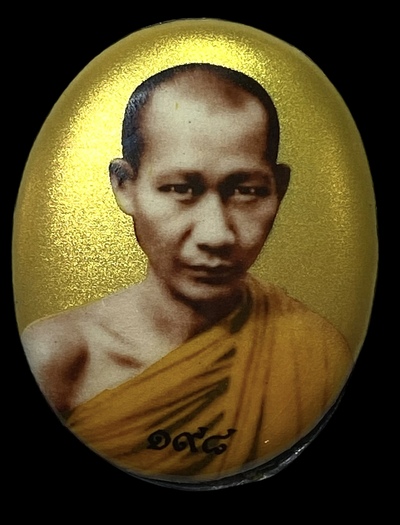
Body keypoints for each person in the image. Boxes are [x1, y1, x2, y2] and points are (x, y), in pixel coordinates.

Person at [22, 63, 353, 484]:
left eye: (247, 191)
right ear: (125, 185)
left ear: (279, 188)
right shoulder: (61, 359)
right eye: (181, 188)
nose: (216, 234)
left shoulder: (316, 353)